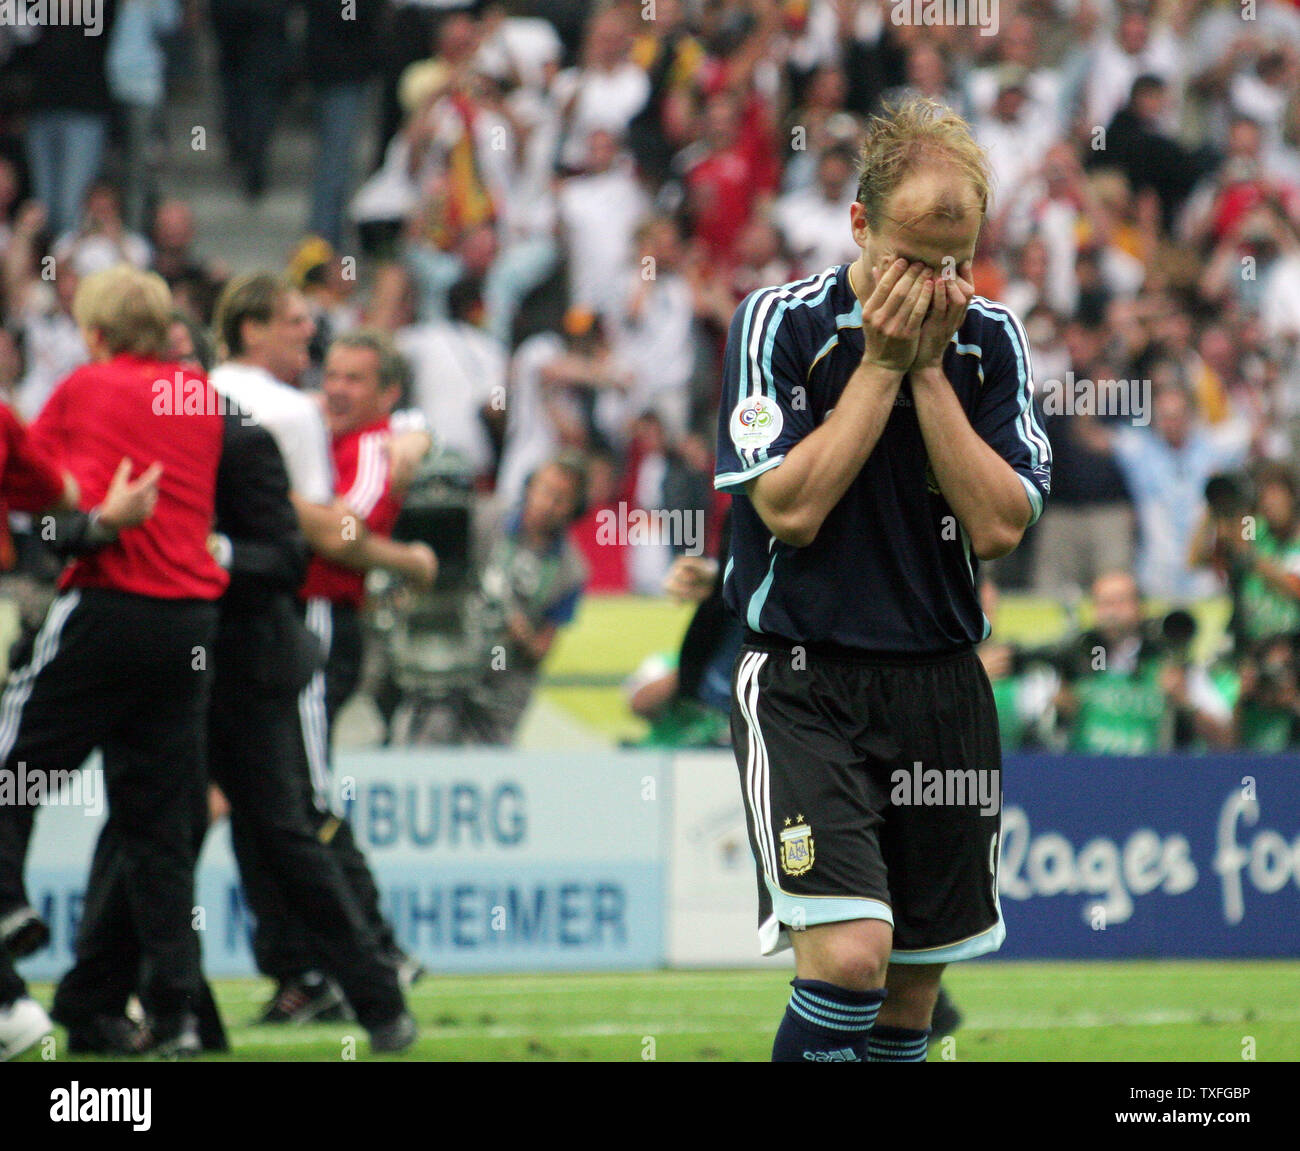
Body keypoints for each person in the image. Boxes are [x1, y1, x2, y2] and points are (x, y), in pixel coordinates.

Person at [713, 97, 1051, 1062]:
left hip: (941, 683)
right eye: (911, 258)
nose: (935, 283)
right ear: (859, 225)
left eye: (956, 263)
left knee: (909, 994)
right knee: (852, 956)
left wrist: (931, 374)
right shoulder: (778, 323)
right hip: (804, 679)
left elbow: (994, 524)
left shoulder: (990, 341)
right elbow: (790, 509)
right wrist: (883, 364)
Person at [0, 266, 229, 1058]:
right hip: (189, 623)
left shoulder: (85, 389)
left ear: (96, 332)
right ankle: (177, 1011)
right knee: (159, 827)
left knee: (11, 764)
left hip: (110, 604)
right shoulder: (201, 399)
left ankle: (5, 904)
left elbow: (51, 512)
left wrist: (86, 523)